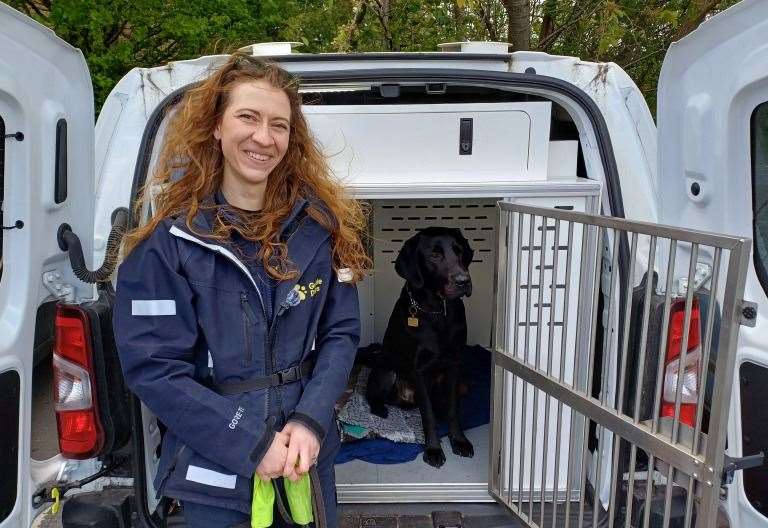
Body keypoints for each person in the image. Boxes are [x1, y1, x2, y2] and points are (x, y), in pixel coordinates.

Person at [113, 54, 369, 527]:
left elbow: (341, 335)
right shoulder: (168, 246)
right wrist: (250, 443)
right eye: (247, 117)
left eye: (279, 125)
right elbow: (155, 369)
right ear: (216, 126)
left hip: (305, 458)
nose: (263, 138)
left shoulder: (319, 232)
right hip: (216, 466)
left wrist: (310, 421)